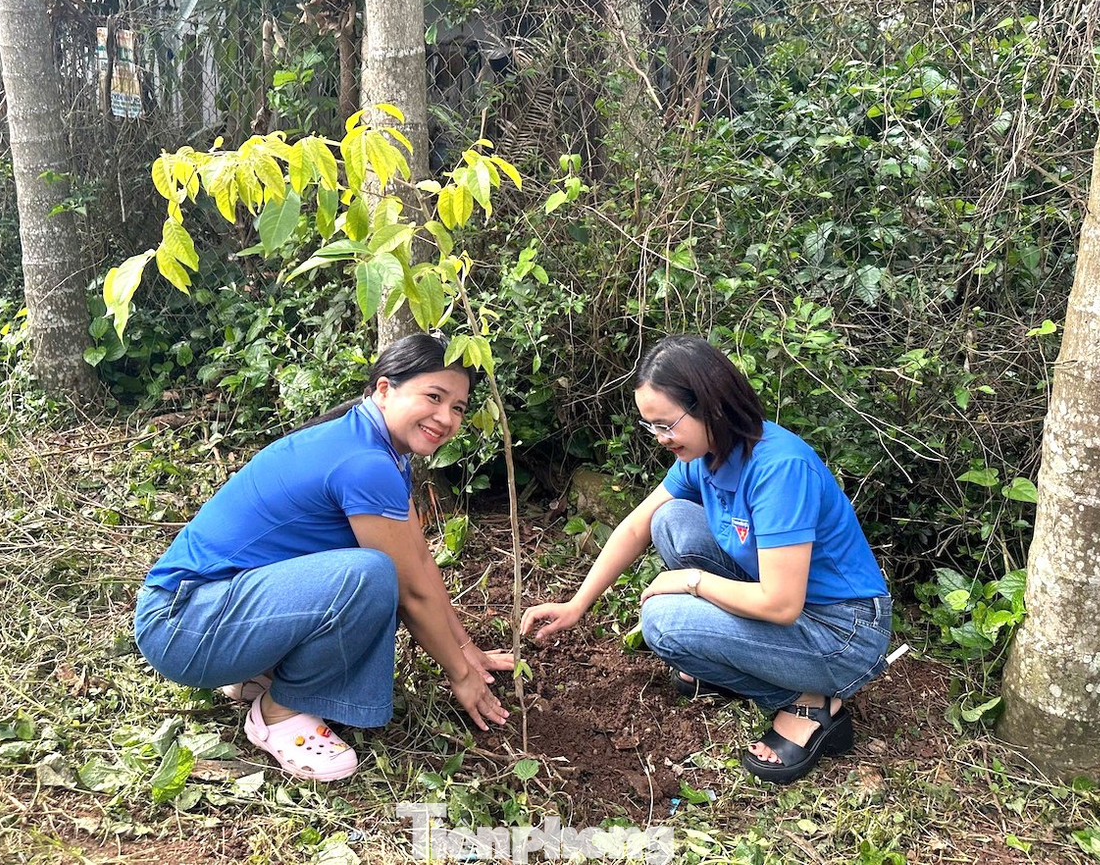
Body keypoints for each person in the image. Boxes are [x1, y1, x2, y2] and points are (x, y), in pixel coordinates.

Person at [135, 333, 511, 781]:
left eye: (458, 407)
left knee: (380, 568)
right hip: (183, 627)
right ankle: (279, 713)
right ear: (386, 389)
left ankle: (259, 672)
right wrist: (460, 676)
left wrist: (468, 651)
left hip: (206, 614)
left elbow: (421, 561)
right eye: (434, 397)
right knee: (370, 575)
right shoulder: (366, 462)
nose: (445, 417)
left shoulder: (380, 449)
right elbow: (410, 591)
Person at [521, 335, 890, 785]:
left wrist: (692, 580)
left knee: (664, 622)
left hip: (841, 631)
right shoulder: (707, 455)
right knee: (670, 520)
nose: (660, 439)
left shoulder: (779, 469)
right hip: (789, 602)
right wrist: (577, 604)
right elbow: (638, 525)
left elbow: (781, 605)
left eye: (666, 424)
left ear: (710, 405)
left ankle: (810, 703)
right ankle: (745, 662)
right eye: (651, 426)